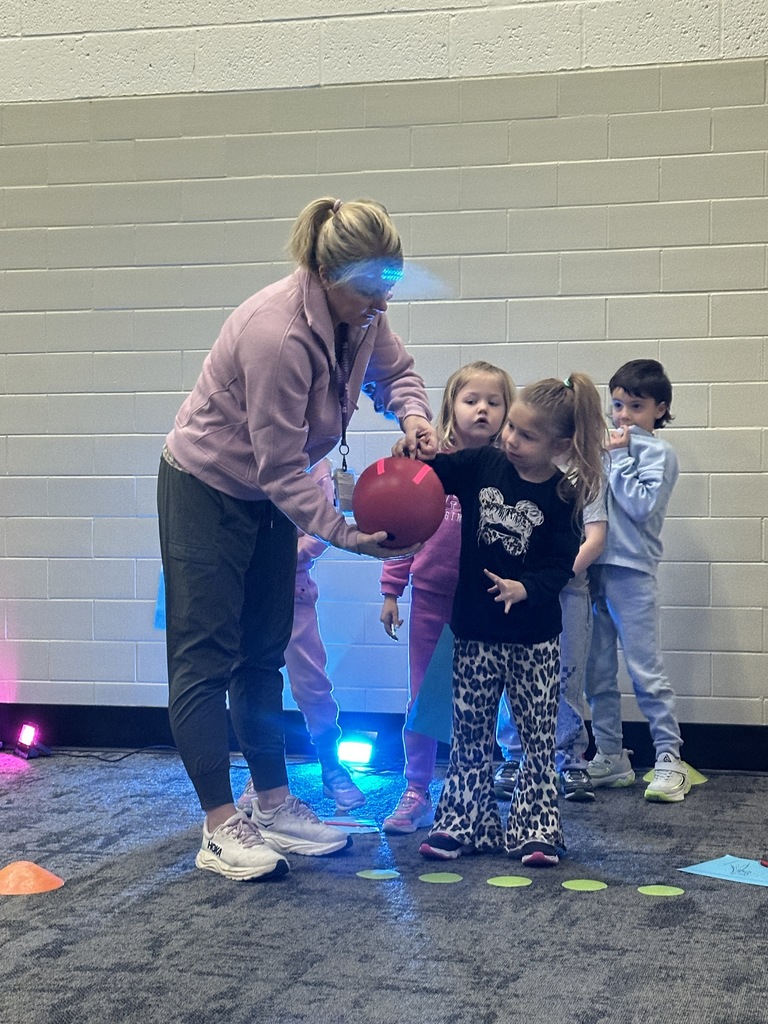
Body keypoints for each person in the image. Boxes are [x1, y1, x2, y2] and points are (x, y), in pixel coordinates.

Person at [157, 196, 437, 881]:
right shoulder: (275, 333)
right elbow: (281, 469)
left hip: (265, 495)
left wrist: (414, 415)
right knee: (206, 655)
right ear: (323, 272)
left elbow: (395, 373)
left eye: (388, 289)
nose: (378, 306)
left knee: (263, 653)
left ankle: (276, 804)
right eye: (367, 291)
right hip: (207, 487)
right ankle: (220, 825)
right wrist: (348, 534)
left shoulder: (365, 315)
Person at [416, 373, 606, 867]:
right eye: (511, 428)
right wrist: (416, 451)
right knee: (470, 735)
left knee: (538, 738)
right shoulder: (483, 463)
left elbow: (563, 561)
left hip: (534, 639)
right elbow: (437, 474)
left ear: (559, 445)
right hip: (476, 631)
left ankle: (536, 827)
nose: (509, 439)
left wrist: (527, 588)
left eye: (525, 435)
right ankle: (463, 822)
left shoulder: (564, 496)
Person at [378, 361, 517, 834]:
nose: (482, 410)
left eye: (493, 402)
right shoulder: (429, 469)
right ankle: (416, 788)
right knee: (424, 699)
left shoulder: (509, 469)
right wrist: (391, 591)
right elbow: (403, 528)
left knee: (479, 703)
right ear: (450, 408)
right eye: (471, 400)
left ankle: (469, 791)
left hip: (485, 606)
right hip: (433, 601)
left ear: (507, 411)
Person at [236, 459, 366, 816]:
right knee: (252, 682)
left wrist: (281, 557)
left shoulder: (316, 469)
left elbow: (322, 531)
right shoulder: (243, 460)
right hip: (250, 592)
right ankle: (261, 773)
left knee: (313, 685)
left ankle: (330, 764)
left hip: (294, 593)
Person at [584, 359, 689, 802]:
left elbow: (642, 507)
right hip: (596, 570)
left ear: (659, 410)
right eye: (617, 405)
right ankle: (610, 755)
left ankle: (669, 757)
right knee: (598, 671)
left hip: (633, 573)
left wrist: (621, 458)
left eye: (636, 406)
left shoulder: (658, 454)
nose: (623, 415)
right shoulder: (606, 447)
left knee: (646, 670)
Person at [494, 484, 607, 803]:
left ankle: (569, 759)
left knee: (567, 678)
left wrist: (550, 579)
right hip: (519, 591)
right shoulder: (513, 471)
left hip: (568, 592)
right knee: (516, 675)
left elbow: (596, 540)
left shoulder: (585, 477)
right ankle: (515, 756)